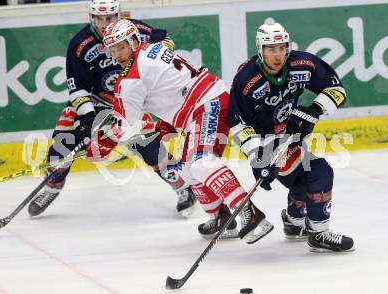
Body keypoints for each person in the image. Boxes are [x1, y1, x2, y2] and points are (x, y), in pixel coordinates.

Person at [86, 19, 276, 244]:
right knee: (188, 172)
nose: (117, 55)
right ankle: (221, 217)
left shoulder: (129, 80)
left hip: (207, 103)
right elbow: (170, 82)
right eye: (113, 50)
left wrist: (101, 144)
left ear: (134, 41)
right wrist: (168, 120)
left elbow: (126, 124)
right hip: (201, 105)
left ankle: (249, 213)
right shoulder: (154, 48)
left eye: (121, 47)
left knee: (202, 163)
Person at [28, 0, 196, 218]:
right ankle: (52, 188)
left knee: (148, 145)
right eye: (99, 18)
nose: (104, 23)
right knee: (63, 142)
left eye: (109, 18)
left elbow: (165, 39)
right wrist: (88, 115)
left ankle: (182, 187)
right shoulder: (80, 44)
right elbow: (76, 85)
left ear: (118, 15)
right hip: (95, 102)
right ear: (92, 17)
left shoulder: (133, 30)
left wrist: (153, 55)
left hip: (130, 101)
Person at [228, 22, 354, 252]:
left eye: (282, 47)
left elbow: (337, 90)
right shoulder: (246, 79)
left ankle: (295, 221)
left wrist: (314, 110)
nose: (277, 54)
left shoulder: (302, 64)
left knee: (305, 178)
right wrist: (258, 157)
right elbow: (238, 124)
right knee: (319, 172)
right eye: (270, 49)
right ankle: (318, 233)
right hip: (264, 142)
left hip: (290, 134)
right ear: (260, 49)